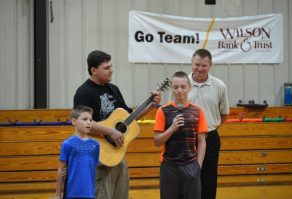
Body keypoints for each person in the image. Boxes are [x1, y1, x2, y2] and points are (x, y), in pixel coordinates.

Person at [73, 50, 161, 199]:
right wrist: (110, 132)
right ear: (93, 70)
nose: (111, 70)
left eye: (111, 67)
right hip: (96, 157)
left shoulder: (113, 89)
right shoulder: (84, 92)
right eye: (106, 68)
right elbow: (82, 123)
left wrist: (151, 106)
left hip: (117, 155)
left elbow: (129, 118)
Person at [154, 71, 208, 199]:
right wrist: (172, 128)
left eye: (183, 87)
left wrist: (198, 165)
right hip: (169, 167)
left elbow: (201, 141)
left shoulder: (198, 111)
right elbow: (157, 141)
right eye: (175, 87)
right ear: (171, 88)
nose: (179, 90)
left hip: (190, 165)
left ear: (189, 87)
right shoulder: (162, 111)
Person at [188, 49, 230, 199]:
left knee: (209, 178)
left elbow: (224, 114)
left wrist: (210, 127)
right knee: (188, 177)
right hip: (186, 139)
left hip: (210, 138)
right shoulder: (181, 85)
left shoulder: (219, 85)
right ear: (191, 63)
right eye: (197, 64)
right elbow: (171, 111)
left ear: (210, 65)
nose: (200, 68)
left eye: (204, 65)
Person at [55, 105, 100, 199]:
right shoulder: (67, 144)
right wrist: (57, 195)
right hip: (71, 194)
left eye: (90, 120)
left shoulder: (96, 145)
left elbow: (93, 171)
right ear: (74, 121)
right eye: (84, 119)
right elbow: (61, 170)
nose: (89, 122)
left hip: (90, 194)